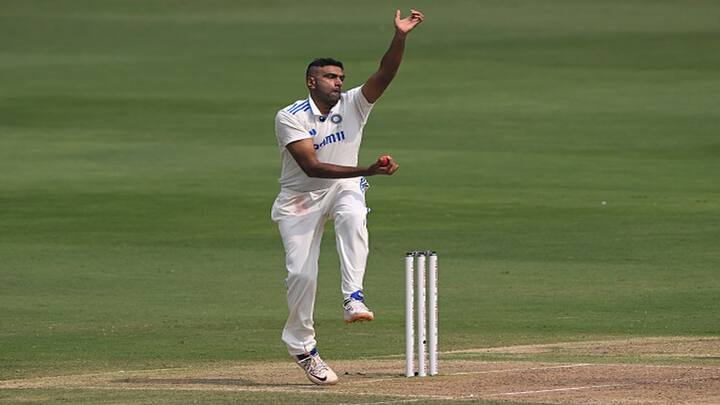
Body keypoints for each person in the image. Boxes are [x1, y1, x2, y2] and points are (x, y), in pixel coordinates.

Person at [271, 9, 424, 385]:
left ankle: (353, 295)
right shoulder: (290, 116)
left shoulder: (354, 104)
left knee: (353, 211)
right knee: (301, 276)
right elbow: (312, 167)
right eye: (329, 77)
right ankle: (302, 347)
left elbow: (385, 74)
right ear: (311, 81)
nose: (338, 82)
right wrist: (368, 170)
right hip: (299, 200)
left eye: (341, 77)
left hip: (342, 186)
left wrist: (400, 36)